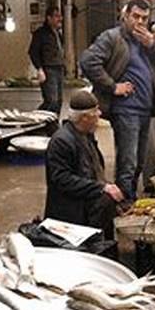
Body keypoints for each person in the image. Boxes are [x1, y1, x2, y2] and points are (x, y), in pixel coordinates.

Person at [79, 0, 155, 204]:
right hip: (125, 110)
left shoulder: (147, 41)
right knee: (127, 161)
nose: (139, 22)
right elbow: (88, 61)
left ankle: (129, 197)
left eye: (144, 18)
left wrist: (152, 45)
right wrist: (113, 86)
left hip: (146, 110)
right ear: (125, 16)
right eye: (135, 16)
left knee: (139, 160)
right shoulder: (113, 37)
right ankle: (124, 203)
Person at [44, 90, 122, 239]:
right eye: (96, 111)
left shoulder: (86, 135)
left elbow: (94, 170)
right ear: (84, 117)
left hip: (87, 198)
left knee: (110, 200)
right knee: (105, 200)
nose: (99, 114)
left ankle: (105, 245)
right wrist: (101, 187)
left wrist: (107, 186)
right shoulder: (62, 141)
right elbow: (62, 180)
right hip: (71, 209)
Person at [29, 6, 65, 115]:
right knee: (51, 101)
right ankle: (36, 119)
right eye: (56, 16)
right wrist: (39, 69)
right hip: (48, 69)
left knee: (59, 101)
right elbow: (33, 52)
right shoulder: (40, 33)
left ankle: (53, 125)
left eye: (60, 16)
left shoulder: (58, 33)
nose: (60, 19)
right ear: (48, 18)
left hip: (59, 68)